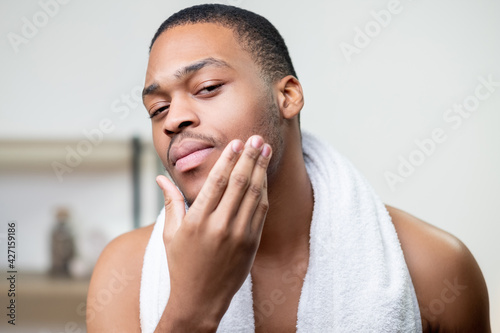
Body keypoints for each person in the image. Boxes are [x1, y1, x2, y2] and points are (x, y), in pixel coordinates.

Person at [87, 4, 490, 332]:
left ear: (288, 96)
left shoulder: (435, 268)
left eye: (207, 88)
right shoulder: (124, 272)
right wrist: (191, 311)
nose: (173, 119)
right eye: (158, 109)